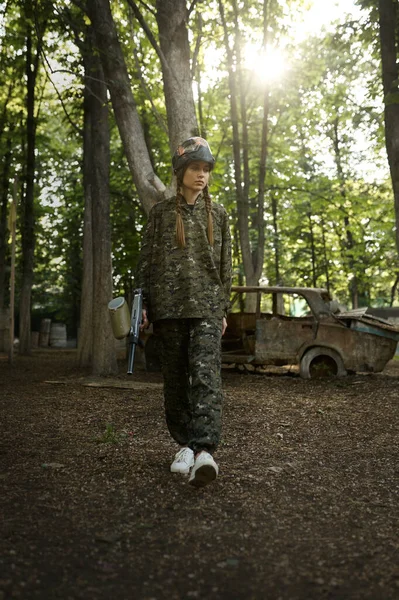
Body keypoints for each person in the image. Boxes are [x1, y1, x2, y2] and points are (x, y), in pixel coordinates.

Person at [135, 136, 232, 488]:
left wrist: (223, 308)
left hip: (206, 308)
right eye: (195, 168)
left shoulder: (218, 215)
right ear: (180, 172)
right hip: (168, 310)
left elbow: (225, 266)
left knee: (206, 379)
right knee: (175, 380)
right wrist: (142, 304)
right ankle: (185, 447)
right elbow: (146, 261)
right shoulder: (161, 214)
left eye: (206, 169)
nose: (201, 175)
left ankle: (204, 450)